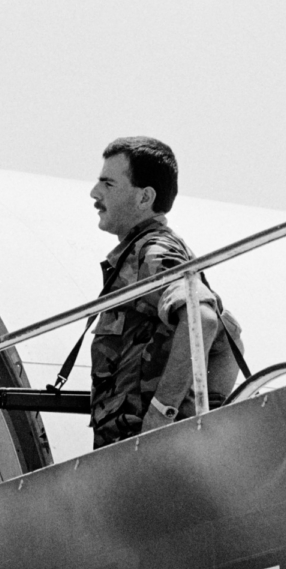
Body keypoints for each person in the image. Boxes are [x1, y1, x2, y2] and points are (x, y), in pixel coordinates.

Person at [88, 136, 244, 449]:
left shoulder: (153, 252)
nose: (95, 193)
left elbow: (204, 319)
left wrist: (163, 414)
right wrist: (205, 409)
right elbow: (230, 333)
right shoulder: (143, 251)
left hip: (143, 452)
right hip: (136, 451)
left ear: (144, 197)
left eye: (108, 184)